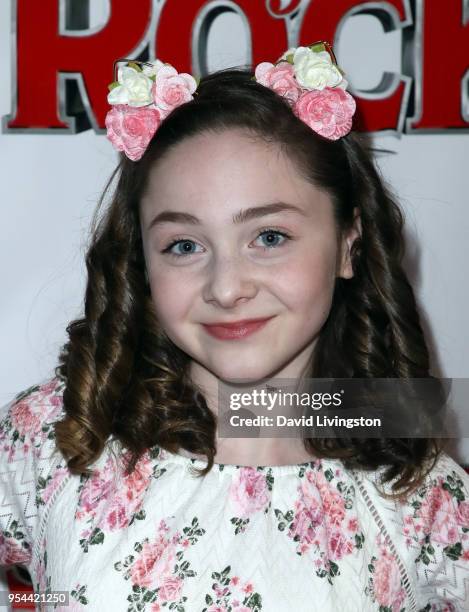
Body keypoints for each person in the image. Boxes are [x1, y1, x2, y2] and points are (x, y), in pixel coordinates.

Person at [1, 42, 468, 611]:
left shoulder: (422, 501)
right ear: (142, 262)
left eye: (269, 237)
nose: (226, 288)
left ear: (349, 243)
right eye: (184, 245)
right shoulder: (55, 440)